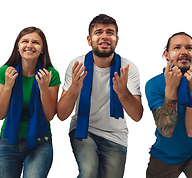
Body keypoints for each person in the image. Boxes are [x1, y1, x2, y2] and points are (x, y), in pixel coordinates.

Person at [57, 14, 143, 178]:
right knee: (89, 172)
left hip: (116, 136)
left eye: (110, 32)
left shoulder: (127, 68)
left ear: (117, 39)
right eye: (99, 32)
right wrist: (75, 87)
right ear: (89, 40)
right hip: (83, 129)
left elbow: (137, 115)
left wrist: (123, 92)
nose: (104, 36)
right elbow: (61, 114)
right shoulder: (77, 65)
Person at [145, 32, 192, 178]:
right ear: (166, 54)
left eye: (189, 48)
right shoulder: (154, 85)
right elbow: (166, 130)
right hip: (165, 153)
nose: (184, 52)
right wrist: (171, 89)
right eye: (177, 47)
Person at [0, 27, 61, 178]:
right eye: (25, 41)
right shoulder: (5, 72)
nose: (29, 45)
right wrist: (8, 86)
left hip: (40, 142)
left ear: (42, 49)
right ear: (18, 47)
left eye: (35, 42)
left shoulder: (50, 74)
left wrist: (43, 89)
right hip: (9, 140)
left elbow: (49, 115)